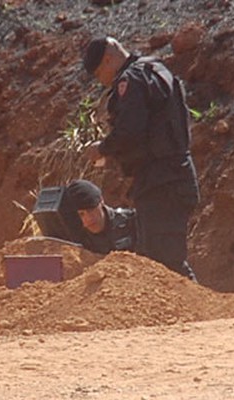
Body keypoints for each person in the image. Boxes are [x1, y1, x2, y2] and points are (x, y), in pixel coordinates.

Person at [82, 36, 199, 282]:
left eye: (99, 72)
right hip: (172, 176)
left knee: (166, 263)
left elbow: (131, 131)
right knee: (162, 257)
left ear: (108, 59)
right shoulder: (153, 69)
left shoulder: (132, 79)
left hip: (161, 181)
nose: (101, 81)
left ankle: (202, 317)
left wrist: (102, 148)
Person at [64, 179, 136, 255]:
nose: (89, 218)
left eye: (91, 210)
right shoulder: (75, 236)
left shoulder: (132, 222)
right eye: (81, 214)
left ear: (101, 201)